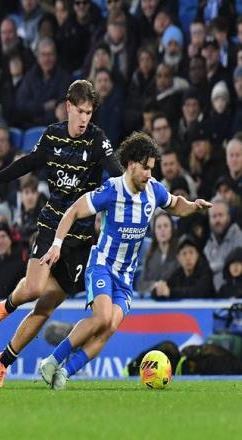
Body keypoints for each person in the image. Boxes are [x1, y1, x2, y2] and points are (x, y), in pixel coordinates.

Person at [0, 79, 121, 388]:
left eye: (89, 113)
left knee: (46, 308)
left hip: (80, 237)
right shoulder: (52, 136)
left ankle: (2, 362)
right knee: (35, 288)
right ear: (68, 107)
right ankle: (6, 306)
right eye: (80, 111)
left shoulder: (97, 139)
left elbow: (116, 170)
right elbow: (28, 163)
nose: (84, 119)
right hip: (52, 222)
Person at [37, 131, 212, 390]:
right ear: (131, 164)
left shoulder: (154, 191)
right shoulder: (112, 190)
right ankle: (52, 361)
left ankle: (65, 373)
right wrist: (57, 244)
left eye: (152, 168)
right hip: (102, 265)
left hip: (126, 276)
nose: (149, 174)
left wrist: (194, 205)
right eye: (146, 168)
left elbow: (175, 204)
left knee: (109, 327)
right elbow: (73, 211)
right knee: (102, 317)